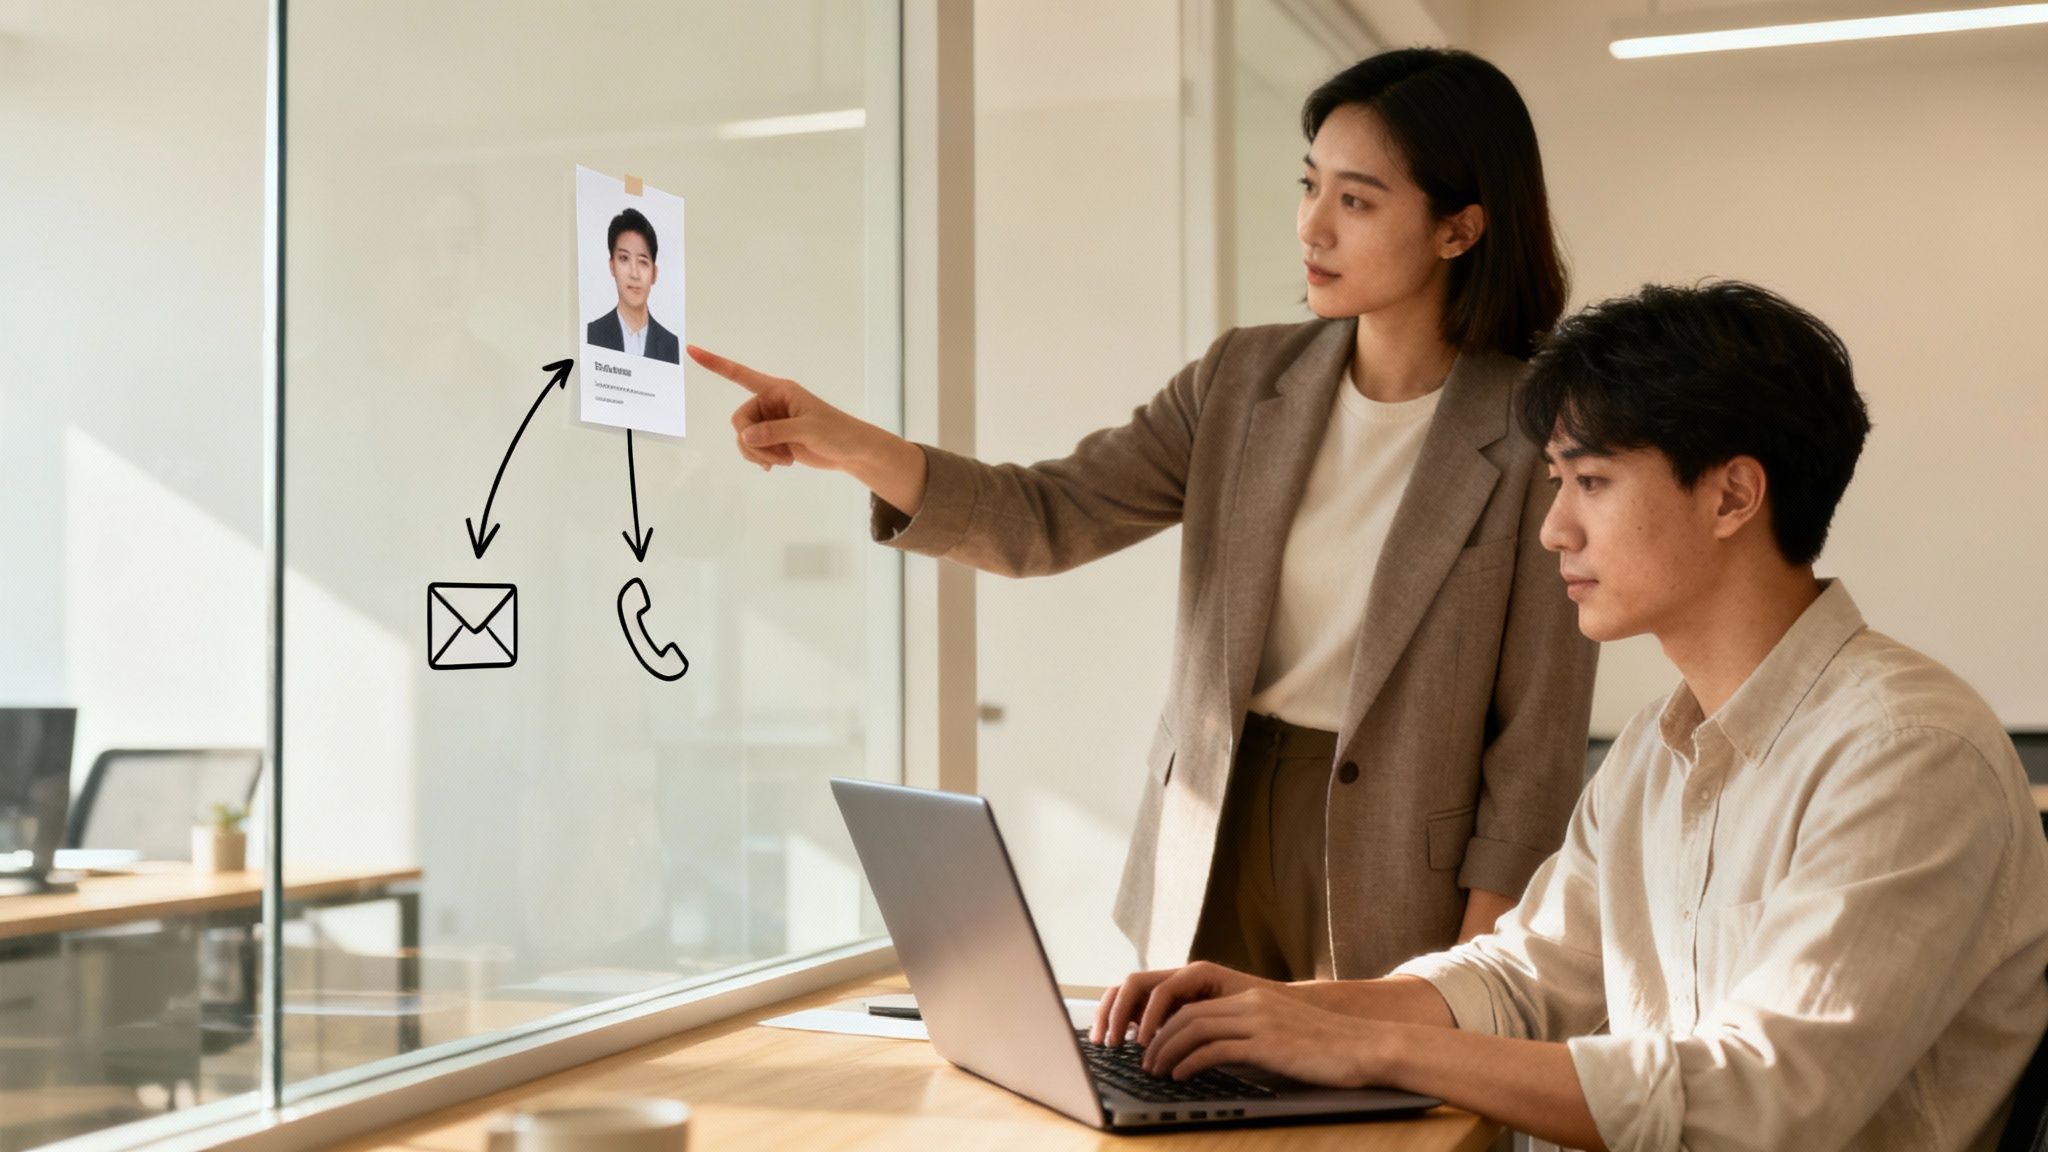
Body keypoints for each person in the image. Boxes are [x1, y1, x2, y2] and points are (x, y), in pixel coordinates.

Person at [690, 48, 1599, 981]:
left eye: (1356, 201)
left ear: (1460, 229)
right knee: (1190, 1107)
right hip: (1210, 836)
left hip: (1406, 873)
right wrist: (854, 446)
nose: (1312, 227)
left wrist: (1476, 965)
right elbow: (1048, 515)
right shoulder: (1242, 382)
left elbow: (1537, 743)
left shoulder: (1543, 434)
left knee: (1371, 1129)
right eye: (1309, 185)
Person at [1092, 281, 2048, 1152]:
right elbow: (1527, 975)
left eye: (1589, 483)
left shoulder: (1906, 754)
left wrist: (1367, 1051)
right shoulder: (1655, 751)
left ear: (1732, 496)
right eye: (1557, 484)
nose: (1554, 528)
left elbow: (1762, 1103)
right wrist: (1294, 1009)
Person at [587, 207, 680, 365]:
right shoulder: (594, 333)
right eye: (624, 258)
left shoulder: (670, 344)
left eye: (643, 262)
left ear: (654, 273)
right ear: (612, 266)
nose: (634, 273)